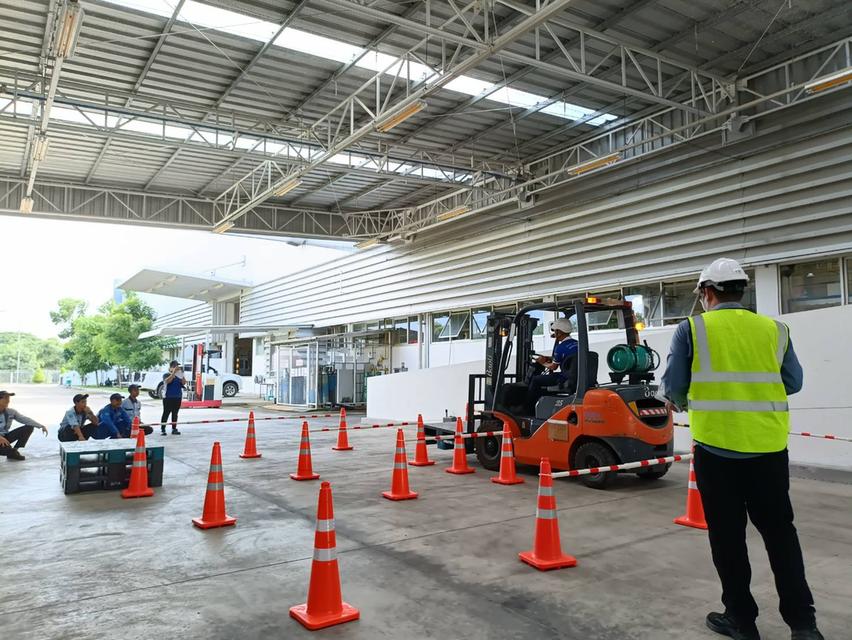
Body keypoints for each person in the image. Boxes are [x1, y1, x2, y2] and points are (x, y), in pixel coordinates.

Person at [659, 258, 822, 640]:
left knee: (728, 539)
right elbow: (793, 382)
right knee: (781, 536)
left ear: (707, 292)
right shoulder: (775, 329)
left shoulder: (692, 329)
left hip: (717, 451)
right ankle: (804, 625)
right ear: (741, 290)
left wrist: (684, 399)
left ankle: (741, 621)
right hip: (768, 449)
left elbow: (673, 389)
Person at [525, 317, 578, 411]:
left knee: (536, 380)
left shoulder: (561, 347)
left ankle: (528, 409)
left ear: (559, 332)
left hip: (565, 377)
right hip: (576, 376)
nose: (554, 334)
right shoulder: (578, 344)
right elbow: (566, 358)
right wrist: (550, 358)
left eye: (555, 331)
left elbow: (553, 367)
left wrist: (542, 362)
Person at [0, 390, 48, 461]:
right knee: (8, 451)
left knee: (29, 427)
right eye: (6, 398)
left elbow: (24, 419)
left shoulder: (11, 412)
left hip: (5, 437)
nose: (8, 400)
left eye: (9, 398)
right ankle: (11, 452)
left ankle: (15, 450)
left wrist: (41, 426)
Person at [161, 360, 185, 436]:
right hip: (168, 397)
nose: (176, 368)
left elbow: (184, 382)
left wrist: (181, 374)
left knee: (175, 413)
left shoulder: (179, 376)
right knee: (166, 413)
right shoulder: (166, 374)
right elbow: (167, 381)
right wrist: (173, 373)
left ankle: (174, 428)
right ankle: (163, 429)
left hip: (177, 397)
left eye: (177, 367)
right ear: (170, 367)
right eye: (175, 366)